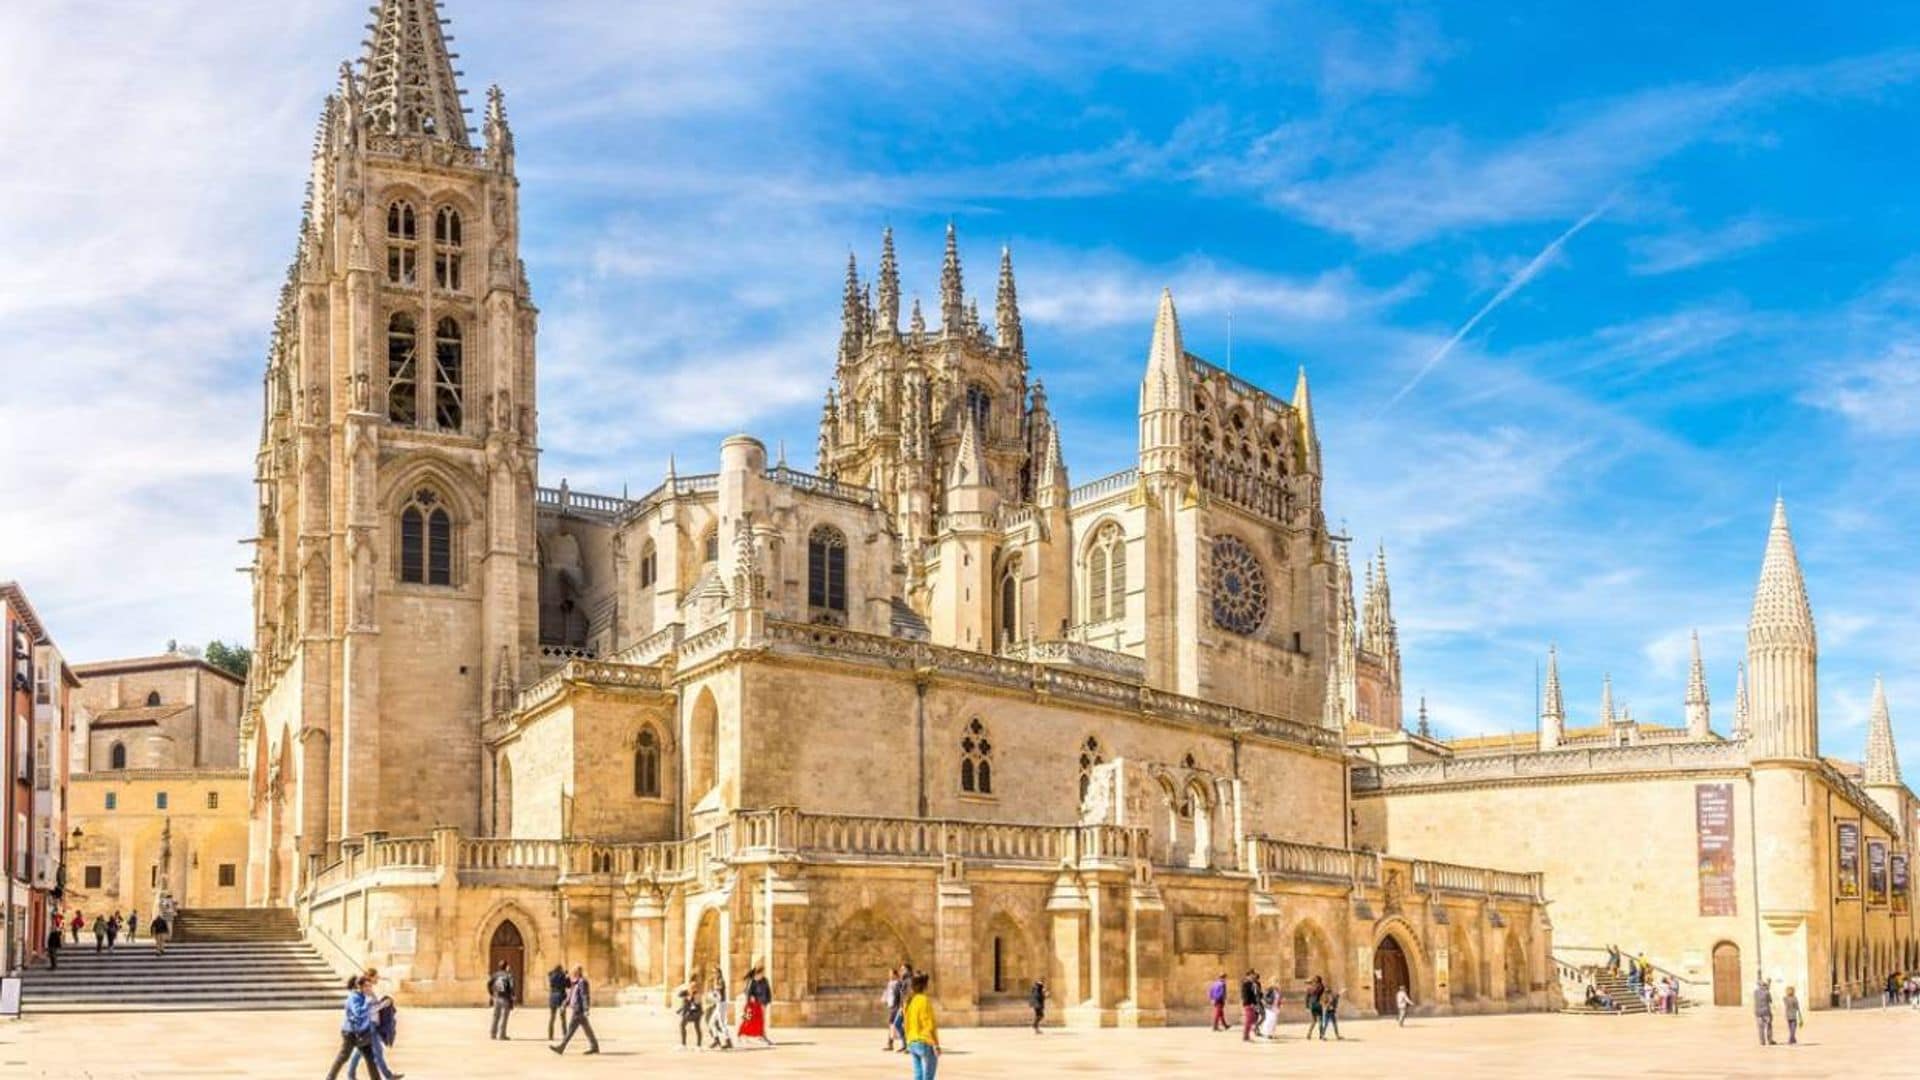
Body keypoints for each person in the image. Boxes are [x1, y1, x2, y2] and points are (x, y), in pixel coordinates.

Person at [347, 972, 402, 1080]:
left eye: (370, 985)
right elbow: (369, 1011)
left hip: (373, 1026)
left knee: (359, 1052)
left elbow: (374, 1006)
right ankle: (388, 1075)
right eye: (367, 985)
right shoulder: (363, 996)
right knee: (378, 1052)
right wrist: (383, 1004)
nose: (370, 987)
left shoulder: (370, 993)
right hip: (369, 1027)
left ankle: (350, 1074)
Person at [550, 965, 599, 1055]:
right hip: (576, 1009)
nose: (572, 973)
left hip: (578, 1009)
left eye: (574, 971)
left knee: (570, 1030)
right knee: (587, 1029)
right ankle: (594, 1046)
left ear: (577, 972)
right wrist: (564, 1004)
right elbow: (570, 995)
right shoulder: (575, 983)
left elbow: (585, 996)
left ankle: (561, 1047)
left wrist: (586, 1009)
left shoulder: (582, 982)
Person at [903, 971, 940, 1080]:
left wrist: (908, 1040)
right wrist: (936, 1044)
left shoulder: (910, 1001)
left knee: (918, 1074)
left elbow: (906, 1022)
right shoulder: (924, 1000)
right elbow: (928, 1023)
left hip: (912, 1040)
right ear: (925, 985)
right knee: (929, 1074)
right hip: (924, 1041)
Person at [739, 964, 773, 1046]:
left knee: (761, 1021)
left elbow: (768, 991)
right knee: (747, 1019)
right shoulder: (752, 981)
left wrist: (768, 1001)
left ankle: (761, 1036)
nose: (762, 975)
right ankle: (742, 1035)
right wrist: (748, 1004)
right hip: (753, 1005)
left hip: (762, 1004)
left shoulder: (765, 980)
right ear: (757, 973)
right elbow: (747, 993)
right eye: (761, 973)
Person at [707, 967, 734, 1050]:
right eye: (713, 972)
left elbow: (719, 990)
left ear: (719, 973)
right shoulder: (716, 980)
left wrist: (713, 990)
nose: (714, 974)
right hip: (718, 1003)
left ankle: (728, 1041)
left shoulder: (721, 980)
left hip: (722, 1004)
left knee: (722, 1023)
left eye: (715, 972)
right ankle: (716, 1040)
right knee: (711, 1022)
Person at [487, 960, 515, 1040]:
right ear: (506, 967)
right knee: (504, 1017)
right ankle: (502, 1035)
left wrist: (492, 994)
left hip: (496, 997)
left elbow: (489, 984)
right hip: (505, 998)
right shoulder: (508, 975)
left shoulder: (495, 975)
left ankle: (493, 1034)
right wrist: (512, 996)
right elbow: (511, 986)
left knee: (495, 1016)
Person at [675, 976, 705, 1050]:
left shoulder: (697, 995)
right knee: (683, 1025)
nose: (692, 988)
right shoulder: (687, 992)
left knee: (696, 1027)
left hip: (696, 1013)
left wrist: (691, 999)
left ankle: (698, 1045)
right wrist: (687, 994)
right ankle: (684, 1045)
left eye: (693, 987)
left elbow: (696, 1005)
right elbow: (679, 995)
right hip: (690, 1013)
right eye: (691, 987)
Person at [883, 967, 906, 1050]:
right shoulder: (890, 983)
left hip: (896, 1007)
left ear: (895, 974)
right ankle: (891, 1043)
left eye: (891, 973)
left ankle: (901, 1044)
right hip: (892, 1006)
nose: (890, 975)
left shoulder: (899, 983)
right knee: (892, 1025)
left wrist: (900, 1006)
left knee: (895, 1024)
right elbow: (888, 994)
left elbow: (901, 995)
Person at [545, 965, 569, 1041]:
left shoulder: (551, 976)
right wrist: (567, 976)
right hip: (561, 997)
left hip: (552, 997)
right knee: (563, 1018)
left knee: (552, 1017)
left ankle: (550, 1035)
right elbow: (568, 985)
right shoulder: (562, 976)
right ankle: (565, 1034)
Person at [1239, 969, 1260, 1041]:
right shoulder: (1246, 983)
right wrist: (1250, 1003)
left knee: (1252, 1019)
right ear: (1249, 975)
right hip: (1248, 1004)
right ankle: (1245, 1037)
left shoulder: (1251, 983)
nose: (1254, 975)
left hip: (1252, 1004)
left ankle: (1247, 1035)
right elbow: (1245, 995)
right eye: (1252, 974)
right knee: (1248, 1020)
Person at [1753, 977, 1775, 1045]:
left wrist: (1768, 984)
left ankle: (1762, 1041)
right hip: (1766, 1012)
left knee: (1760, 1028)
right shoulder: (1767, 992)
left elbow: (1764, 989)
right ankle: (1770, 1040)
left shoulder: (1755, 992)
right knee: (1769, 1026)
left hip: (1758, 1012)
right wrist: (1769, 983)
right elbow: (1770, 1001)